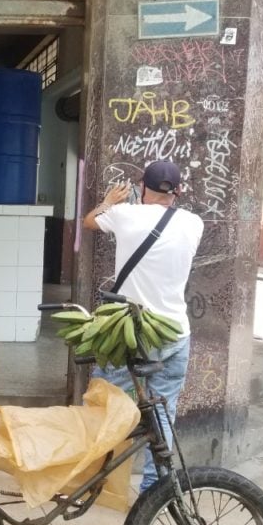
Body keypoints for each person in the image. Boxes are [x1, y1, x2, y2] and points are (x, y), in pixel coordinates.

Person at [83, 160, 204, 493]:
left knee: (102, 404)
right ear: (177, 191)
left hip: (132, 333)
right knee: (163, 412)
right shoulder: (194, 223)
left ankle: (90, 479)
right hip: (176, 333)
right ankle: (156, 492)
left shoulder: (126, 215)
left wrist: (110, 201)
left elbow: (90, 222)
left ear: (141, 187)